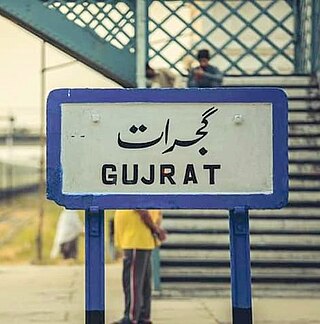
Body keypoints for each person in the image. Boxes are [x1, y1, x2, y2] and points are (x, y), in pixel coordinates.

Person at [112, 209, 167, 324]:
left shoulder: (133, 190)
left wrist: (155, 229)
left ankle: (131, 317)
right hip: (141, 238)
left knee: (133, 282)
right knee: (143, 283)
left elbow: (140, 208)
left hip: (135, 238)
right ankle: (143, 316)